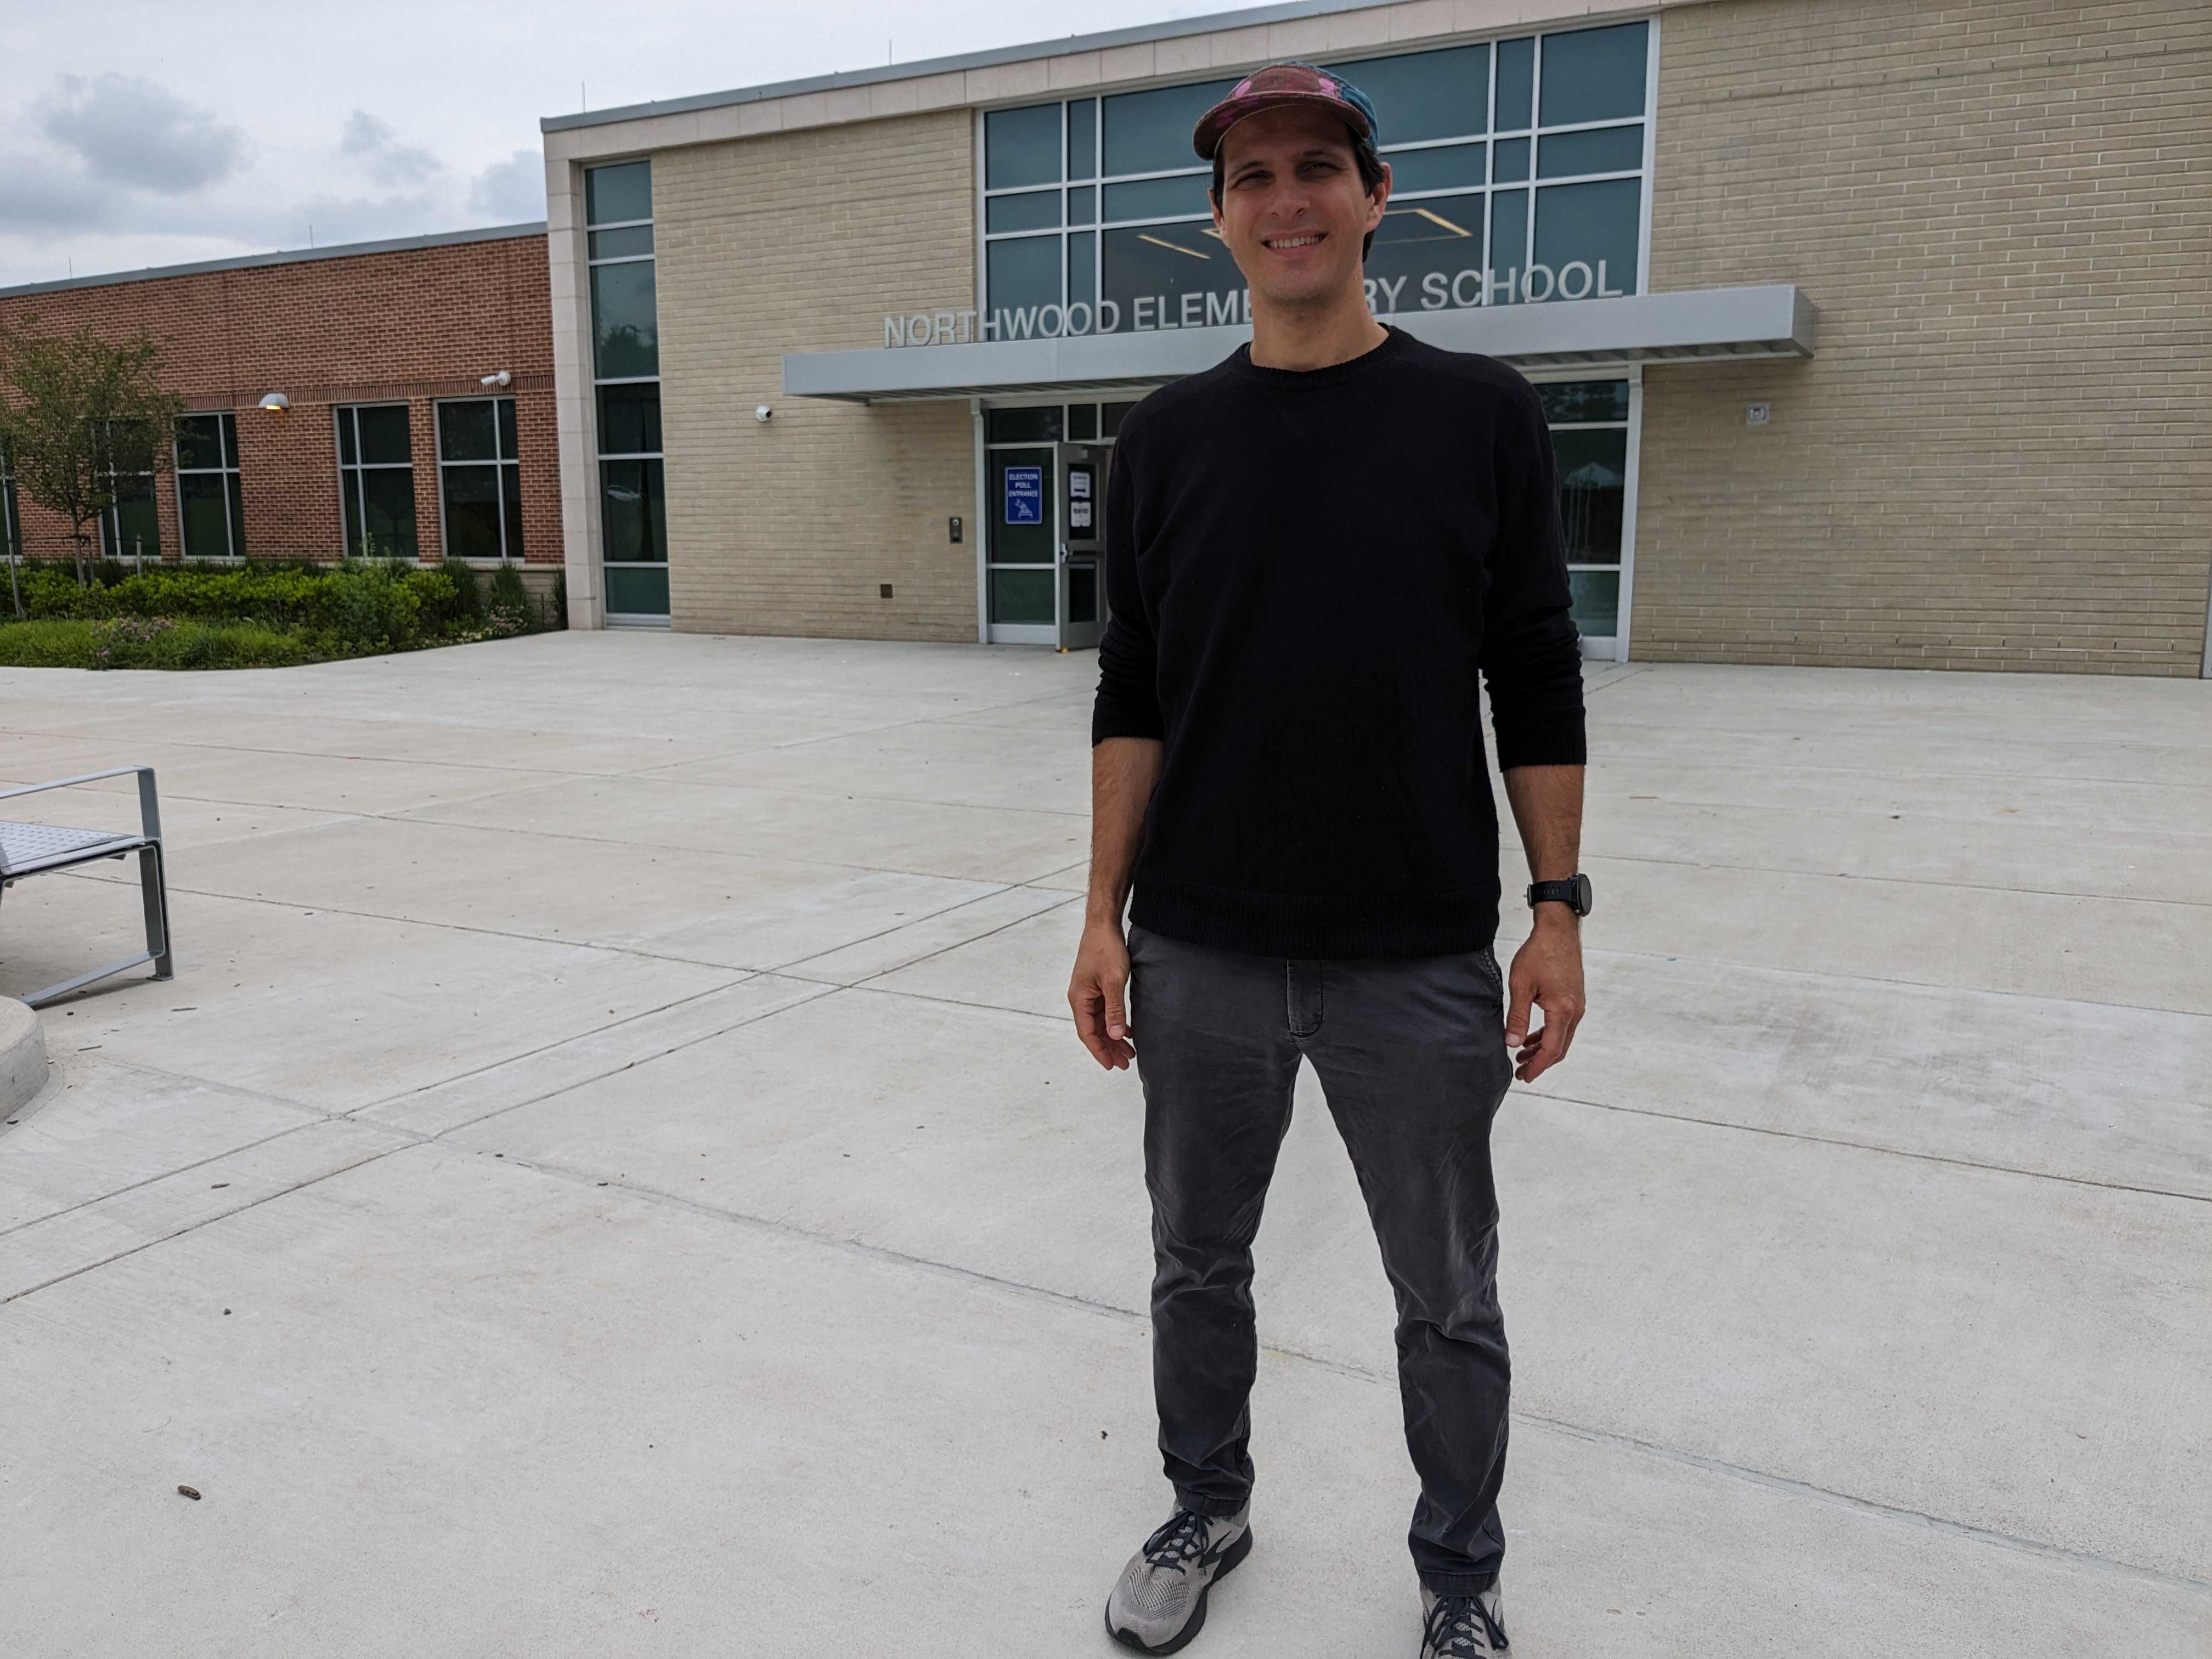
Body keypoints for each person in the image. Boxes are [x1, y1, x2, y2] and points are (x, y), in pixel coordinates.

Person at [1066, 62, 1593, 1659]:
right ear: (1220, 218)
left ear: (1373, 198)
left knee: (1445, 1291)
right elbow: (1132, 690)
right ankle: (1205, 1503)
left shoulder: (1478, 415)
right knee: (1195, 1264)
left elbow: (1538, 670)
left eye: (1315, 169)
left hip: (1418, 951)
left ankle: (1457, 1577)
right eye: (1252, 178)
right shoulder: (1167, 440)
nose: (1284, 200)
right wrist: (1100, 913)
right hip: (1202, 944)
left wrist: (1555, 910)